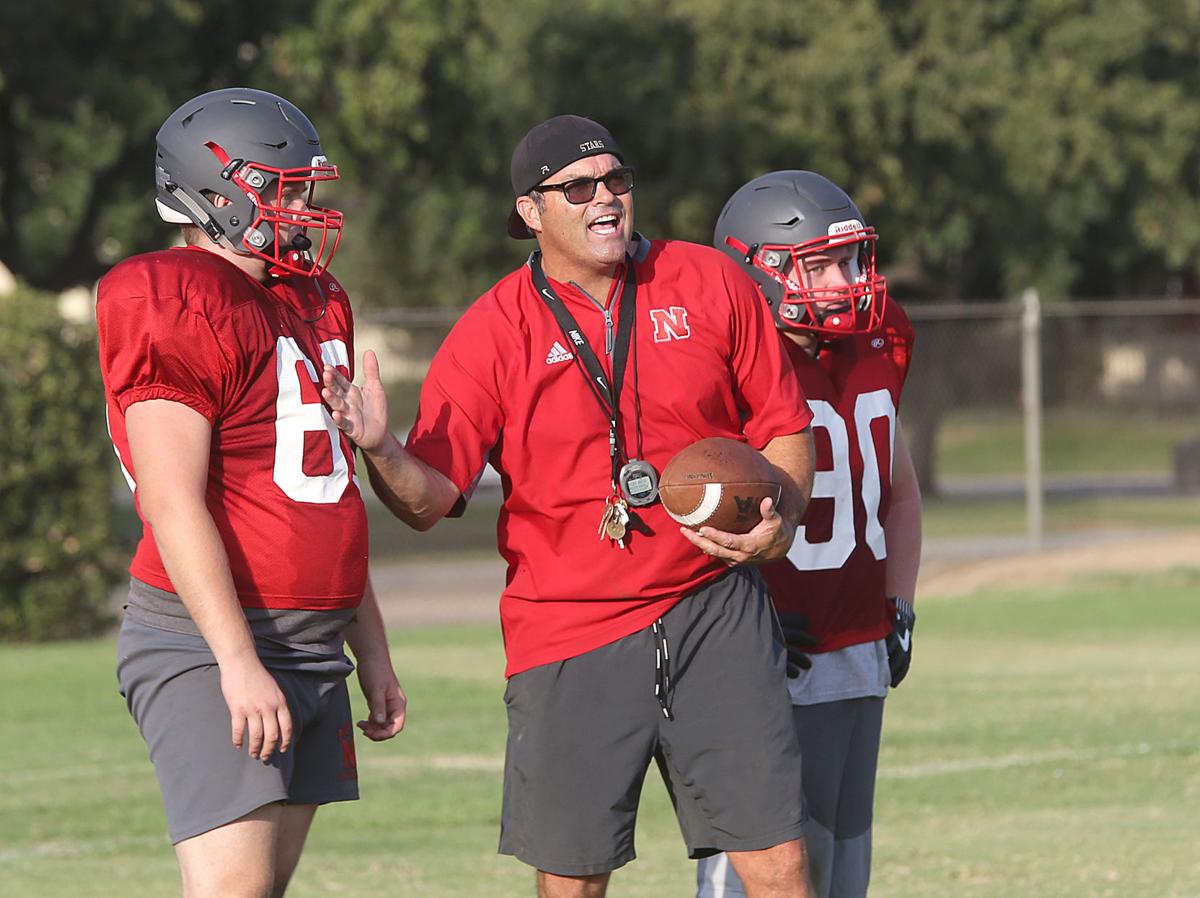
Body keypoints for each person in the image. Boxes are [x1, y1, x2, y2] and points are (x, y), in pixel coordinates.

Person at [321, 115, 819, 897]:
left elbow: (786, 428)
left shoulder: (708, 280)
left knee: (780, 861)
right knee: (573, 879)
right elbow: (428, 500)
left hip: (713, 606)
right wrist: (380, 448)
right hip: (570, 627)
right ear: (531, 210)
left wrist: (780, 519)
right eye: (579, 188)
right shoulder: (492, 330)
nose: (607, 199)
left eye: (617, 180)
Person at [96, 87, 407, 898]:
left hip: (311, 642)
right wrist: (235, 661)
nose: (305, 207)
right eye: (287, 189)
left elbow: (325, 494)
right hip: (213, 641)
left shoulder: (312, 300)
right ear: (216, 191)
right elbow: (170, 500)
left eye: (307, 188)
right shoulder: (176, 296)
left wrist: (368, 647)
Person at [697, 171, 922, 898]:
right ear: (754, 272)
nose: (843, 281)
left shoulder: (880, 342)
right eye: (818, 265)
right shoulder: (729, 363)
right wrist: (734, 620)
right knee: (760, 872)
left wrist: (900, 605)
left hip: (860, 644)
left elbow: (900, 487)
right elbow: (696, 509)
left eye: (850, 260)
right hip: (774, 656)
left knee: (844, 871)